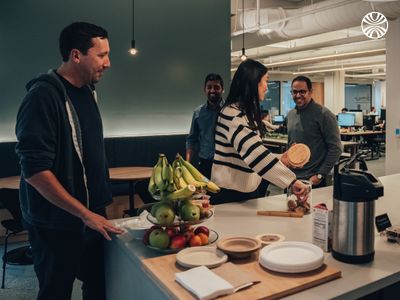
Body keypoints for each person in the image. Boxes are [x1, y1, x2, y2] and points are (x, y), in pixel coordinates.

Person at [15, 22, 123, 300]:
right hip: (56, 225)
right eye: (101, 55)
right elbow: (36, 172)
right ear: (76, 55)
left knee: (99, 287)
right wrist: (84, 214)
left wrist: (94, 213)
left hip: (92, 218)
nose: (108, 63)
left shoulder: (88, 91)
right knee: (55, 292)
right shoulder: (42, 96)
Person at [210, 59, 309, 205]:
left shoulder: (244, 113)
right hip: (230, 195)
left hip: (246, 192)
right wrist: (291, 181)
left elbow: (249, 154)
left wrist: (282, 158)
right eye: (265, 81)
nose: (266, 87)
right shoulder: (232, 114)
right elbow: (254, 153)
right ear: (253, 82)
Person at [286, 76, 342, 188]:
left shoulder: (324, 115)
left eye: (302, 91)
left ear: (310, 92)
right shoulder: (290, 115)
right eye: (294, 92)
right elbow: (291, 145)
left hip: (313, 179)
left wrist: (320, 175)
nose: (298, 95)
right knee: (291, 205)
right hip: (292, 178)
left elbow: (336, 148)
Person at [186, 73, 224, 179]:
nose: (212, 90)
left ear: (222, 89)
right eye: (209, 87)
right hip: (205, 164)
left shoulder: (229, 111)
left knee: (223, 195)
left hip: (225, 164)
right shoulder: (198, 113)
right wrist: (187, 165)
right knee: (205, 195)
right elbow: (191, 140)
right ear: (204, 89)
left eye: (216, 87)